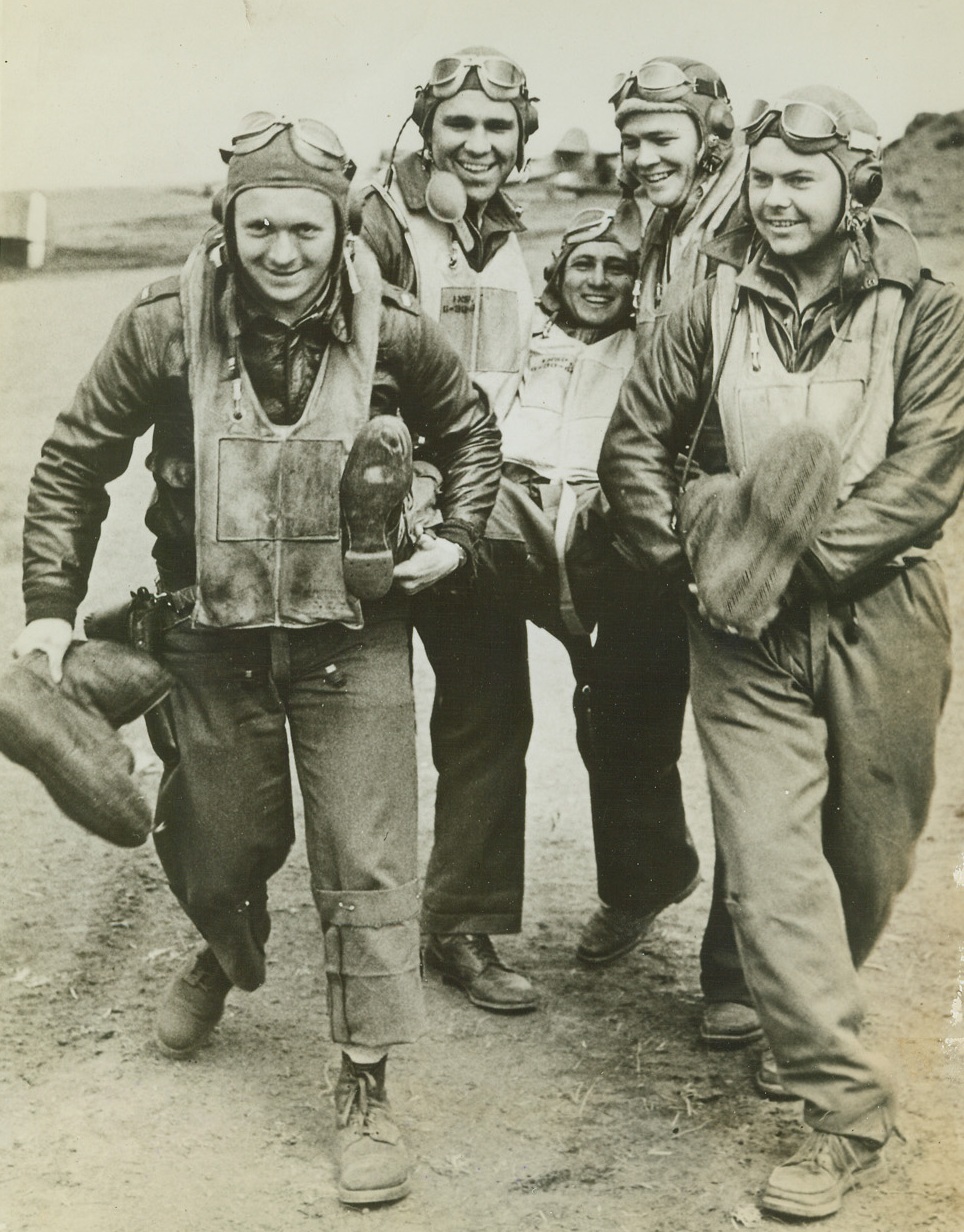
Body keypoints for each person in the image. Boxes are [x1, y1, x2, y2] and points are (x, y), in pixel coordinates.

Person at [16, 114, 502, 1207]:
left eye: (306, 229)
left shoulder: (400, 328)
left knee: (364, 854)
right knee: (215, 839)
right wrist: (50, 609)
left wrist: (454, 538)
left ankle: (365, 1081)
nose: (282, 252)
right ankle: (226, 942)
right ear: (225, 223)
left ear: (341, 230)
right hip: (208, 629)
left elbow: (469, 430)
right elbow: (72, 459)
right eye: (260, 226)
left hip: (350, 632)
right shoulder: (158, 324)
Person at [598, 84, 964, 1220]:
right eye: (759, 178)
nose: (774, 197)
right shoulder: (702, 304)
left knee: (869, 854)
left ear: (858, 180)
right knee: (767, 863)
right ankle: (841, 1105)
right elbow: (634, 445)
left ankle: (798, 1005)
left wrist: (790, 562)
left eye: (800, 178)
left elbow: (926, 468)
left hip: (878, 603)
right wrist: (694, 562)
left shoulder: (932, 308)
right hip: (735, 622)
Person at [576, 55, 761, 1054]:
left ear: (710, 134)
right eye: (631, 139)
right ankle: (646, 877)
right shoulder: (648, 228)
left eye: (662, 137)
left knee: (748, 743)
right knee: (620, 713)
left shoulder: (758, 216)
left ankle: (736, 970)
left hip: (740, 512)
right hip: (644, 505)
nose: (641, 156)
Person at [359, 48, 546, 1012]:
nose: (478, 145)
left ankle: (459, 926)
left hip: (467, 507)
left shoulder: (501, 232)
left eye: (498, 129)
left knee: (487, 708)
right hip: (373, 508)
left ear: (522, 144)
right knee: (360, 723)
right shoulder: (379, 223)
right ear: (425, 128)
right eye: (459, 125)